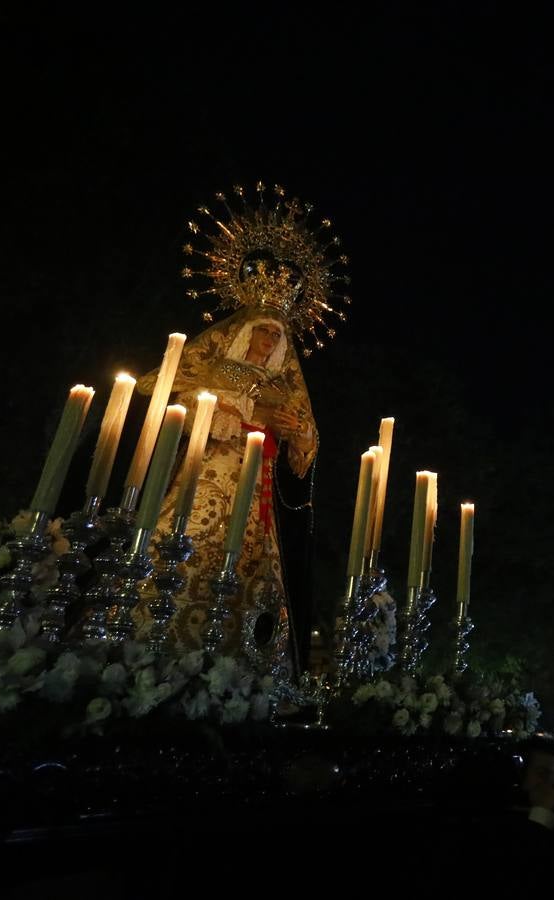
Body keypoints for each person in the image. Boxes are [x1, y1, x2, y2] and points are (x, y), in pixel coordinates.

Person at [131, 189, 340, 668]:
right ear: (245, 331)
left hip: (257, 488)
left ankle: (241, 660)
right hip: (209, 470)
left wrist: (296, 432)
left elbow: (307, 445)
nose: (268, 340)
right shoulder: (214, 367)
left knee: (251, 569)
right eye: (262, 330)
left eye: (276, 335)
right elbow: (159, 389)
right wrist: (214, 404)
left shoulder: (284, 386)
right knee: (183, 543)